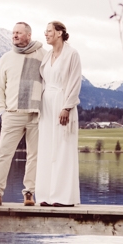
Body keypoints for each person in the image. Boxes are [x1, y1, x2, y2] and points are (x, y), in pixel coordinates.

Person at [0, 21, 46, 207]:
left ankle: (29, 194)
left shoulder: (43, 55)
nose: (14, 36)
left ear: (28, 35)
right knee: (4, 154)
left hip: (36, 113)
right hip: (12, 113)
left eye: (18, 33)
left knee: (34, 155)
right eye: (13, 33)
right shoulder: (6, 58)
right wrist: (2, 111)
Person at [34, 21, 82, 206]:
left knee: (63, 146)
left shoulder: (72, 54)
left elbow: (75, 82)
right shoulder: (47, 56)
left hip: (62, 102)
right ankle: (46, 195)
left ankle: (63, 197)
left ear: (60, 33)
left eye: (49, 31)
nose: (46, 34)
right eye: (45, 32)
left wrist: (67, 107)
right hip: (46, 104)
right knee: (47, 147)